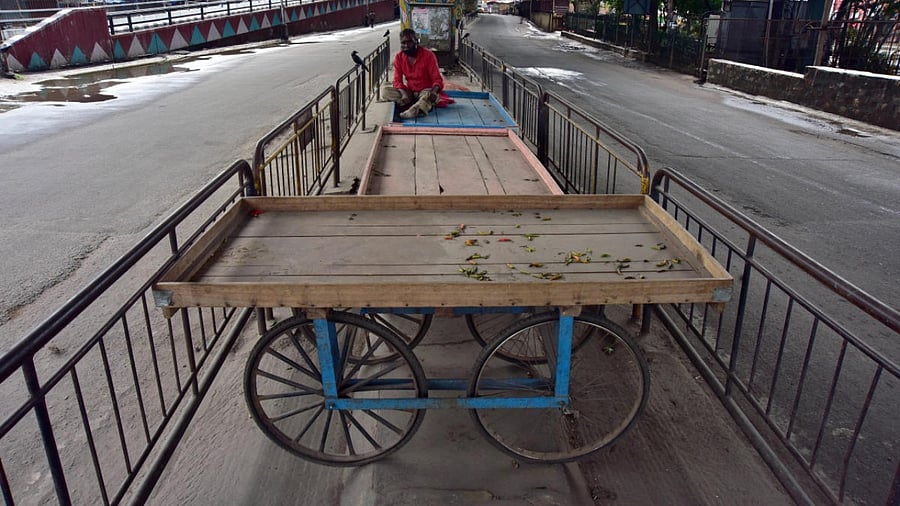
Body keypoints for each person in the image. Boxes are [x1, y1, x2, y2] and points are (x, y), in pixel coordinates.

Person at [381, 28, 453, 119]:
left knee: (430, 96)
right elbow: (397, 80)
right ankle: (418, 105)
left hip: (425, 91)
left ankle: (414, 109)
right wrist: (403, 94)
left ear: (416, 42)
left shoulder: (428, 55)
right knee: (385, 92)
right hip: (410, 92)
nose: (406, 45)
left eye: (409, 42)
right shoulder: (399, 57)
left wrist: (433, 92)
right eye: (403, 43)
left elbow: (437, 79)